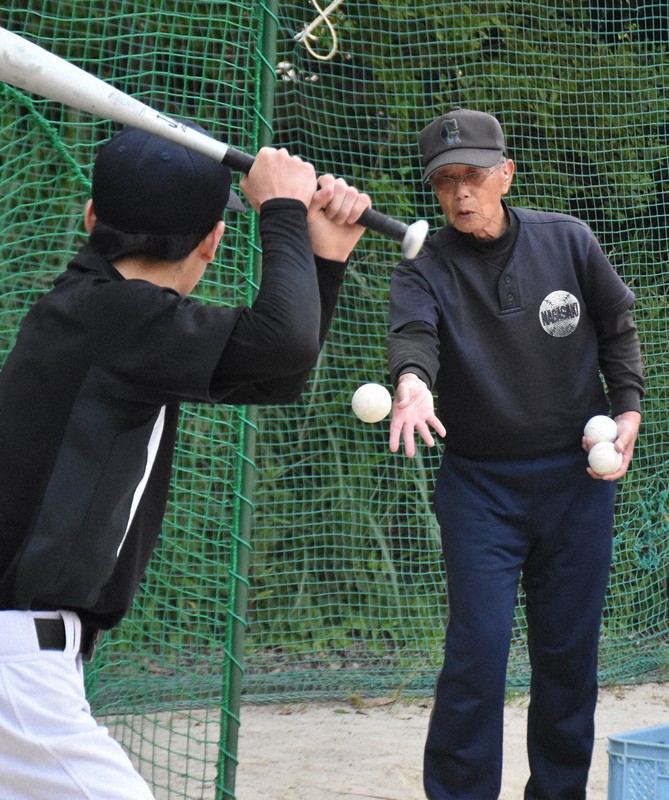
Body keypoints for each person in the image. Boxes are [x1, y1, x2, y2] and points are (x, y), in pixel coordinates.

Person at [0, 122, 371, 799]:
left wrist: (322, 257)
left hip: (29, 663)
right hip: (16, 668)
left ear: (91, 217)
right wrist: (281, 212)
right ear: (212, 240)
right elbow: (282, 346)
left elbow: (275, 372)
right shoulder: (117, 317)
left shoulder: (98, 311)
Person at [387, 108, 643, 800]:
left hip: (576, 483)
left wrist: (627, 408)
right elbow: (413, 337)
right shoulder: (423, 265)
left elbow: (616, 324)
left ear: (505, 173)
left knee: (568, 659)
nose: (460, 193)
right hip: (479, 490)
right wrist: (411, 383)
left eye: (472, 176)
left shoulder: (567, 241)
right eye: (444, 181)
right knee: (476, 656)